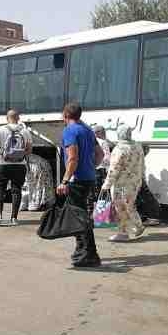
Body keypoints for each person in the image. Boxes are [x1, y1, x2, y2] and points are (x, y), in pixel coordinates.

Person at [56, 102, 104, 268]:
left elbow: (73, 157)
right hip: (89, 177)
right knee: (80, 214)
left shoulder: (70, 130)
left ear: (65, 115)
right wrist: (91, 167)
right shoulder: (88, 130)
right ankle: (83, 251)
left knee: (79, 216)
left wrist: (65, 180)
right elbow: (100, 153)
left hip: (77, 180)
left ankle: (88, 254)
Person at [100, 125, 146, 242]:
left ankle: (126, 231)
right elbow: (142, 165)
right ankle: (132, 228)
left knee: (121, 208)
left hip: (121, 184)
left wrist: (106, 185)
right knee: (128, 205)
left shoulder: (119, 149)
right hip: (135, 183)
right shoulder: (138, 146)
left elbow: (113, 170)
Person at [93, 125, 113, 201]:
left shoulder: (92, 142)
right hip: (101, 171)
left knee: (94, 195)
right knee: (102, 196)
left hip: (92, 171)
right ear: (99, 133)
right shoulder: (103, 142)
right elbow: (107, 158)